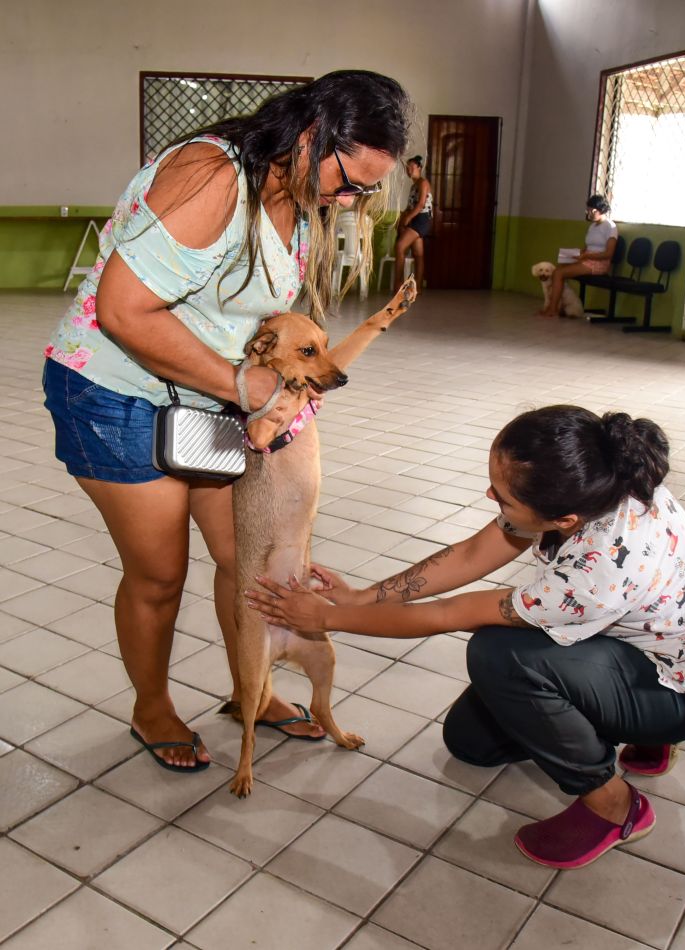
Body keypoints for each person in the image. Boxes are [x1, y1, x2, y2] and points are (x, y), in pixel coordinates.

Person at [42, 70, 412, 771]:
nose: (350, 199)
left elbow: (248, 312)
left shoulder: (299, 198)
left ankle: (253, 687)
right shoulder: (211, 174)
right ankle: (151, 706)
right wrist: (246, 385)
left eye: (365, 191)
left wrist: (290, 375)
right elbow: (123, 312)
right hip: (115, 395)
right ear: (312, 137)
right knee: (159, 575)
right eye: (349, 181)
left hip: (207, 401)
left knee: (245, 563)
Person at [249, 405, 685, 870]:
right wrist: (361, 598)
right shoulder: (600, 479)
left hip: (679, 685)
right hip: (642, 647)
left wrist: (327, 621)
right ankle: (632, 727)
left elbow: (451, 613)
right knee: (471, 744)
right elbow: (471, 554)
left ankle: (616, 805)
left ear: (563, 520)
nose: (490, 497)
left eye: (503, 497)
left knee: (500, 654)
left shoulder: (596, 572)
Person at [540, 194, 618, 317]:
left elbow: (608, 254)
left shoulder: (610, 226)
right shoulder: (593, 226)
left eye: (591, 210)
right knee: (558, 269)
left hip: (599, 263)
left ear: (599, 210)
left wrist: (586, 257)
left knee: (559, 274)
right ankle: (559, 305)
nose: (589, 213)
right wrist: (577, 254)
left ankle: (552, 309)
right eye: (588, 210)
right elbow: (587, 248)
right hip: (587, 258)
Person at [393, 155, 432, 292]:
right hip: (415, 218)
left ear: (419, 168)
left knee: (399, 247)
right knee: (418, 254)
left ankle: (398, 285)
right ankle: (418, 287)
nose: (409, 170)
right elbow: (410, 207)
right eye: (407, 167)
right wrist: (401, 219)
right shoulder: (413, 185)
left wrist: (407, 219)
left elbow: (421, 205)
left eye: (412, 167)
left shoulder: (423, 183)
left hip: (421, 219)